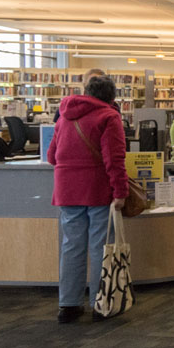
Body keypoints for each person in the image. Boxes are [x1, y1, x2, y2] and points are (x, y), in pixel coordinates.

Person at [47, 75, 128, 324]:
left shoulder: (64, 115)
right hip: (96, 188)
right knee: (99, 247)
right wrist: (120, 191)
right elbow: (114, 159)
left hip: (67, 189)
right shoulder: (109, 116)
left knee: (71, 246)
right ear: (112, 97)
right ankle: (100, 302)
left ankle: (68, 305)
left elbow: (52, 156)